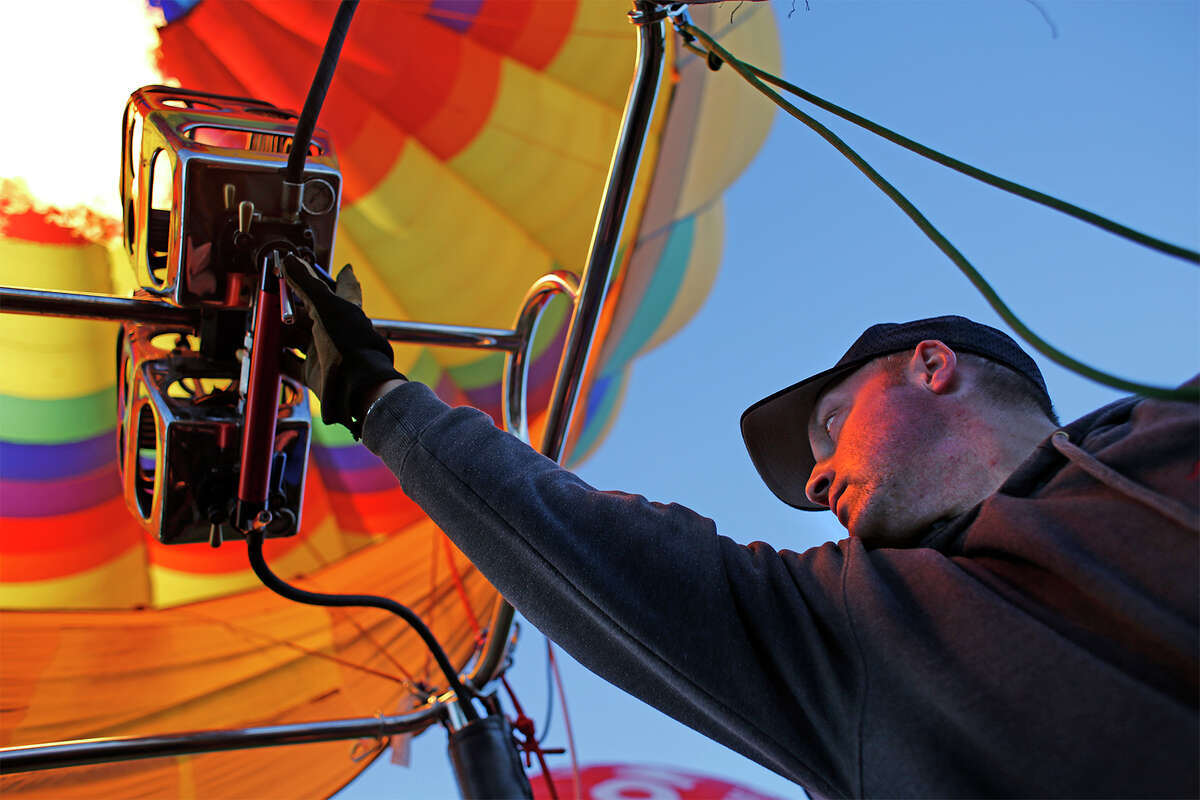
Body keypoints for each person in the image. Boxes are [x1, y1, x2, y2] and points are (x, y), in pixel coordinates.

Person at [283, 259, 1199, 799]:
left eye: (834, 424)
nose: (814, 474)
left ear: (930, 367)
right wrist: (374, 398)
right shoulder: (859, 627)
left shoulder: (1169, 438)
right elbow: (612, 559)